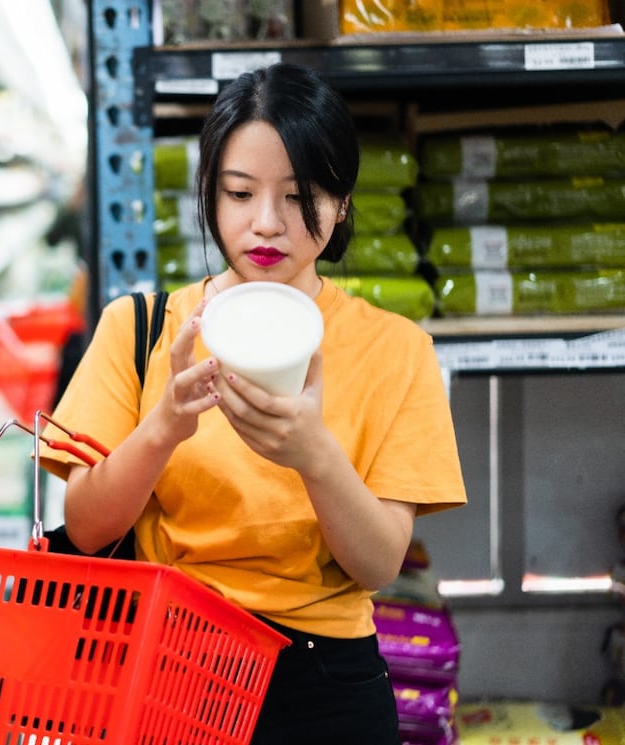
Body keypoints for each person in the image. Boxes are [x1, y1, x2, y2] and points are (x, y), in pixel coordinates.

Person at [38, 62, 467, 744]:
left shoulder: (396, 349)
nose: (266, 224)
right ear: (209, 194)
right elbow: (85, 530)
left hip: (327, 685)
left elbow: (378, 564)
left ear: (343, 201)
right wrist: (165, 427)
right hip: (171, 669)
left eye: (300, 197)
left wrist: (315, 456)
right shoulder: (140, 328)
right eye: (240, 193)